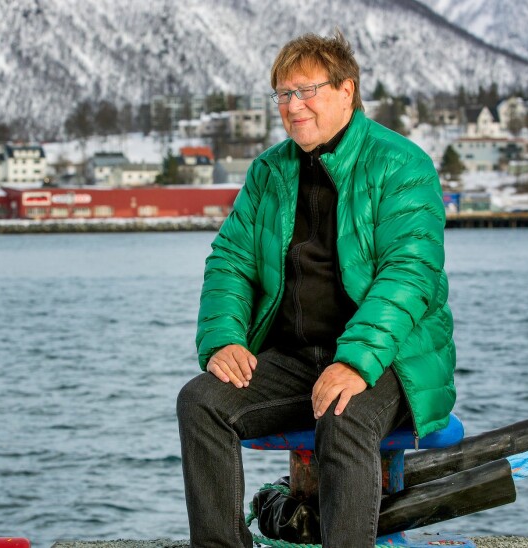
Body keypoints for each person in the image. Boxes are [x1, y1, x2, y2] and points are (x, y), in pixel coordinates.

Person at [176, 30, 456, 548]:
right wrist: (224, 339)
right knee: (200, 402)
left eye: (307, 90)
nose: (293, 105)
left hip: (391, 357)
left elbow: (409, 274)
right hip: (296, 357)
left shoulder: (401, 164)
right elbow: (230, 261)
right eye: (283, 94)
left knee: (342, 415)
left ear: (347, 90)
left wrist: (355, 363)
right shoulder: (269, 171)